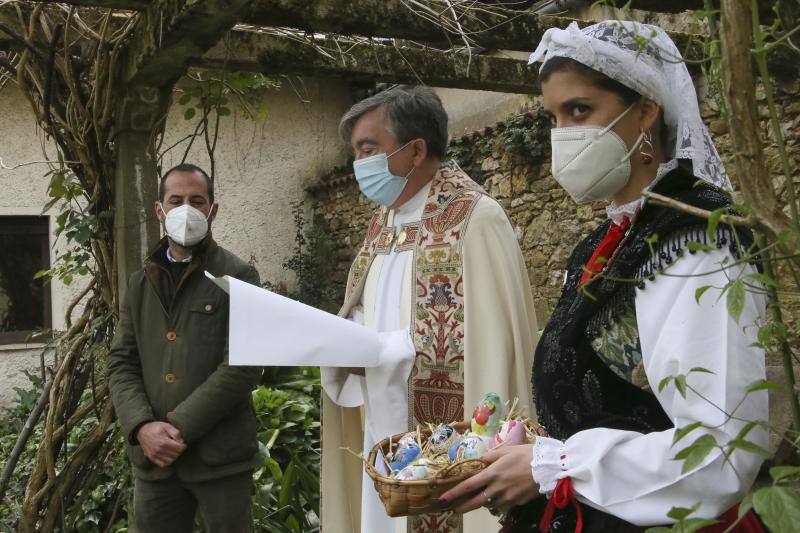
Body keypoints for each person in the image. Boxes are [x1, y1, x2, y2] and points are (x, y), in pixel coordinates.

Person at [440, 21, 768, 532]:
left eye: (580, 110)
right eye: (553, 117)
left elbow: (720, 449)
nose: (564, 134)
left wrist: (557, 467)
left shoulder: (697, 241)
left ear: (646, 109)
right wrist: (537, 456)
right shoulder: (604, 245)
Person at [320, 86, 539, 533]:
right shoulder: (382, 223)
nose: (359, 165)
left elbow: (498, 348)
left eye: (368, 150)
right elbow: (369, 307)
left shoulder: (477, 220)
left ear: (416, 150)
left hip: (448, 441)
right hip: (383, 424)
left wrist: (393, 350)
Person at [108, 163, 262, 533]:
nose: (186, 209)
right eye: (175, 200)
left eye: (197, 200)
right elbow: (121, 362)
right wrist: (143, 426)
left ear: (213, 209)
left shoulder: (238, 276)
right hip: (154, 465)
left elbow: (245, 364)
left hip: (220, 461)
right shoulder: (139, 282)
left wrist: (176, 427)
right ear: (159, 211)